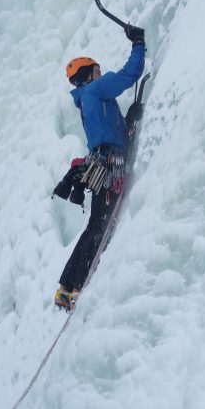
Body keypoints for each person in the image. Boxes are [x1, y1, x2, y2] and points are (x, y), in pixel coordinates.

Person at [53, 25, 146, 310]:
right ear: (87, 76)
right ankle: (77, 285)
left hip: (102, 160)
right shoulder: (95, 89)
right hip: (109, 162)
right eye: (96, 70)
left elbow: (107, 130)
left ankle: (66, 286)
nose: (100, 73)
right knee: (99, 225)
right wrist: (138, 44)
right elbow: (129, 76)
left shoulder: (88, 100)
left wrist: (128, 123)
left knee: (96, 223)